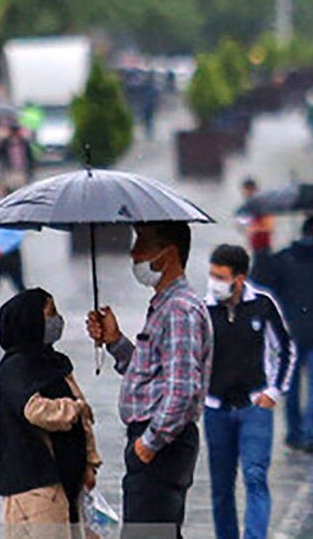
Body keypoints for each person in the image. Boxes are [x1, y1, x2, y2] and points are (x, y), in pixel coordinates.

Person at [87, 222, 212, 537]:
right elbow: (153, 374)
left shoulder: (179, 310)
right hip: (154, 443)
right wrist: (115, 342)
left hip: (162, 446)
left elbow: (183, 390)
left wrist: (149, 443)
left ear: (168, 253)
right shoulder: (164, 306)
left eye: (143, 243)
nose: (134, 252)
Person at [0, 289, 101, 537]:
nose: (57, 320)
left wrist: (90, 463)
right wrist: (72, 409)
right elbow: (35, 410)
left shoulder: (55, 363)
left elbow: (81, 414)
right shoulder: (15, 368)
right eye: (50, 313)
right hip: (34, 490)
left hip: (67, 485)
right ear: (30, 321)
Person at [203, 245, 296, 539]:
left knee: (255, 476)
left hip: (255, 406)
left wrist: (274, 392)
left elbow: (286, 349)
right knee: (221, 487)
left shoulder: (263, 305)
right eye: (212, 275)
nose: (214, 282)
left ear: (239, 278)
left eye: (220, 276)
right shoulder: (203, 310)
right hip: (215, 408)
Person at [267, 216, 313, 454]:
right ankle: (309, 435)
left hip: (290, 332)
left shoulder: (282, 259)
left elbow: (272, 290)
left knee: (290, 384)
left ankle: (293, 432)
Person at [240, 178, 276, 284]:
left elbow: (268, 226)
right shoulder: (250, 206)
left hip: (262, 245)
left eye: (247, 190)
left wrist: (252, 228)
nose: (245, 193)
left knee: (259, 273)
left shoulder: (262, 205)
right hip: (255, 246)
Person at [0, 222, 28, 309]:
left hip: (11, 254)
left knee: (19, 284)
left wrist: (2, 249)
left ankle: (29, 309)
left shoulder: (15, 220)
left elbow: (18, 236)